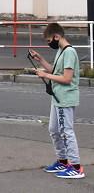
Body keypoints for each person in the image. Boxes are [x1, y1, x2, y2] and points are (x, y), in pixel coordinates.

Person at [28, 23, 84, 179]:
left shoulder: (69, 52)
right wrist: (40, 60)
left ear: (56, 36)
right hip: (57, 98)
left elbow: (66, 78)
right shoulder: (61, 50)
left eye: (48, 40)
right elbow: (56, 71)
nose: (49, 43)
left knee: (66, 132)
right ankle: (63, 161)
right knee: (54, 130)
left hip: (65, 98)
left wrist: (44, 75)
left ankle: (76, 167)